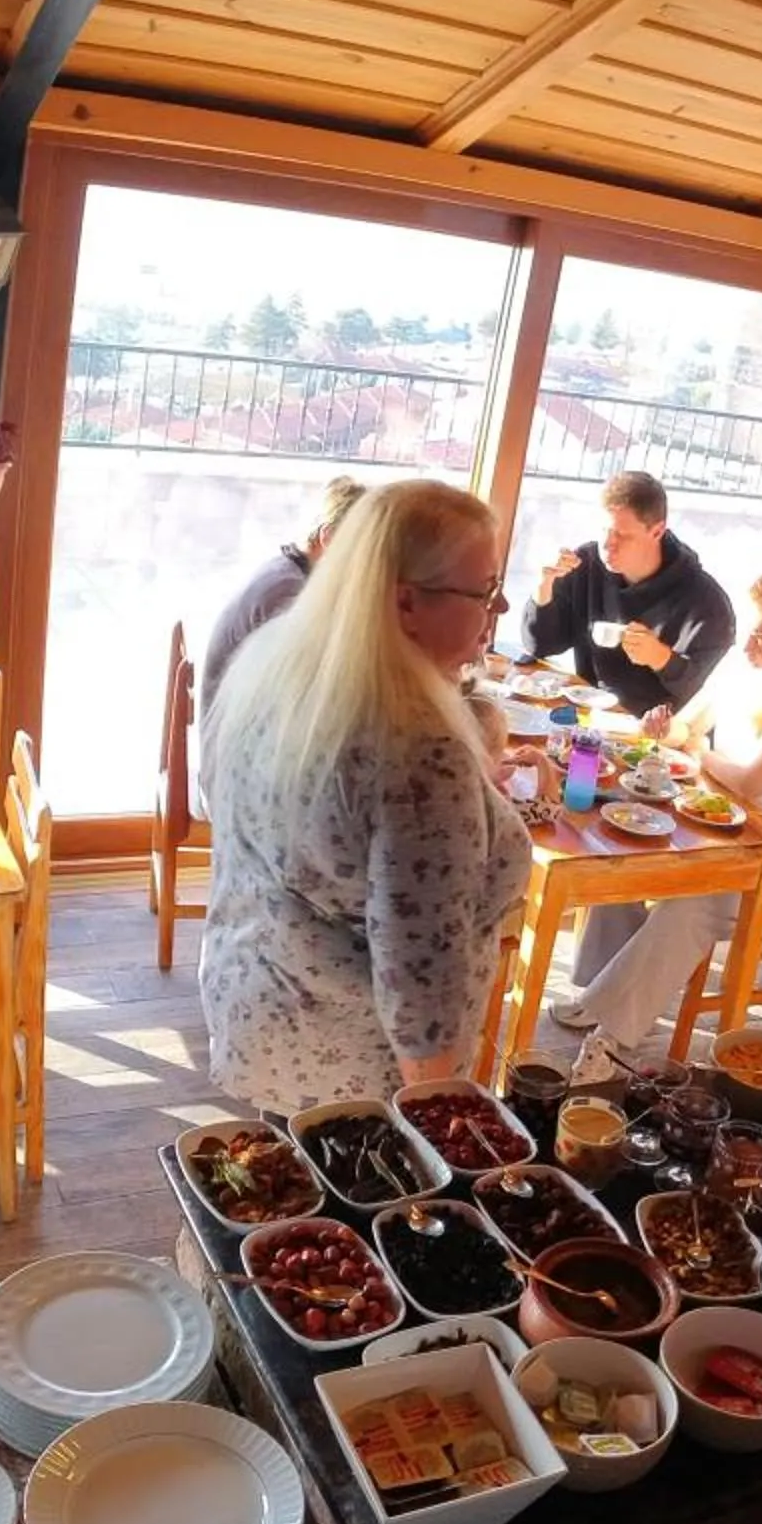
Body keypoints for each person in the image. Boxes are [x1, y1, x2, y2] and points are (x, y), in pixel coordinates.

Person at [199, 478, 533, 1111]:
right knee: (346, 1205)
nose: (498, 610)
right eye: (487, 590)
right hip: (360, 1077)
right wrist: (444, 1131)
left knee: (285, 1192)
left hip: (262, 1004)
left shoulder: (282, 662)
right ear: (406, 603)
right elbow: (421, 985)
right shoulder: (418, 755)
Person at [552, 573, 762, 1053]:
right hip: (719, 820)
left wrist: (699, 756)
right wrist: (663, 731)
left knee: (690, 904)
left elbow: (750, 782)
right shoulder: (742, 665)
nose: (748, 646)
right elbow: (687, 727)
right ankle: (599, 989)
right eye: (746, 632)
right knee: (626, 845)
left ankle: (615, 1034)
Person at [523, 470, 736, 718]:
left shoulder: (706, 604)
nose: (606, 545)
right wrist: (544, 588)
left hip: (653, 736)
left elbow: (703, 700)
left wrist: (662, 659)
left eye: (622, 535)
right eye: (604, 530)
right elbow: (541, 646)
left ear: (657, 531)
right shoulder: (586, 564)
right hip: (587, 714)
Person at [199, 474, 366, 712]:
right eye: (360, 543)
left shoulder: (285, 572)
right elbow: (302, 689)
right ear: (328, 537)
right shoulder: (286, 592)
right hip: (237, 741)